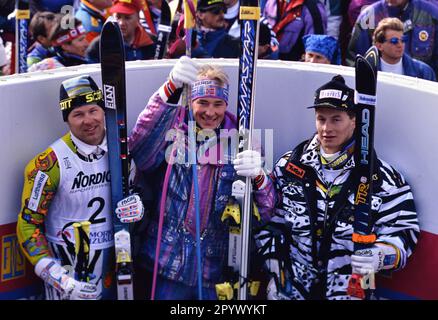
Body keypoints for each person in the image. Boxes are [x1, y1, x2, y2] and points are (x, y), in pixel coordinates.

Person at [253, 75, 419, 300]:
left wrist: (380, 256)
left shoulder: (382, 178)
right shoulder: (290, 166)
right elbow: (270, 220)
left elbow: (404, 232)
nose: (326, 128)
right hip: (294, 277)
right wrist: (277, 266)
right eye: (321, 119)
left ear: (354, 121)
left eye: (336, 119)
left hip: (353, 281)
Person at [128, 56, 273, 299]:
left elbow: (266, 211)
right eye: (202, 102)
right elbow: (140, 148)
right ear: (190, 101)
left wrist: (260, 178)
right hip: (166, 266)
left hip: (215, 273)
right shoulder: (172, 135)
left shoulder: (244, 144)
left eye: (218, 104)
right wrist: (169, 87)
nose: (210, 112)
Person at [16, 75, 143, 300]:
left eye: (93, 110)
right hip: (68, 269)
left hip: (114, 262)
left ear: (103, 111)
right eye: (78, 114)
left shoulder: (123, 150)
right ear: (67, 120)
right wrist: (58, 278)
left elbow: (134, 196)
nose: (88, 120)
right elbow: (28, 225)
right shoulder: (48, 164)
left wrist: (137, 207)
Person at [347, 0, 438, 75]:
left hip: (422, 89)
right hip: (378, 88)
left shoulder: (432, 15)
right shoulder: (369, 16)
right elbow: (355, 61)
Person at [86, 0, 155, 63]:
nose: (121, 23)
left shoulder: (152, 42)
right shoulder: (100, 44)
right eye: (118, 17)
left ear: (138, 18)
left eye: (127, 18)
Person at [167, 0, 240, 58]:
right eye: (216, 11)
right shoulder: (187, 41)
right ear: (200, 15)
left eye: (223, 10)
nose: (221, 15)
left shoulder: (234, 44)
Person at [262, 0, 327, 61]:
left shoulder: (313, 8)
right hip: (267, 63)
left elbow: (316, 51)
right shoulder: (272, 2)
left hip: (295, 67)